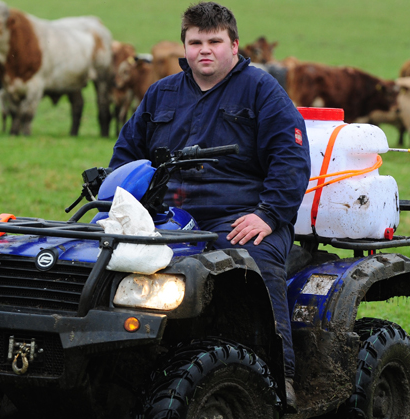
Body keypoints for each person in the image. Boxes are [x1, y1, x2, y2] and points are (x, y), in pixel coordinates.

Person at [109, 2, 310, 411]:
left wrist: (268, 215)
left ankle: (280, 377)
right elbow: (126, 157)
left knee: (257, 271)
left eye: (215, 41)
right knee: (104, 267)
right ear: (184, 45)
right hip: (167, 217)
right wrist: (117, 203)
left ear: (234, 45)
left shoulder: (262, 90)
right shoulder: (160, 93)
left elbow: (290, 161)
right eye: (195, 41)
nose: (205, 50)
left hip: (240, 216)